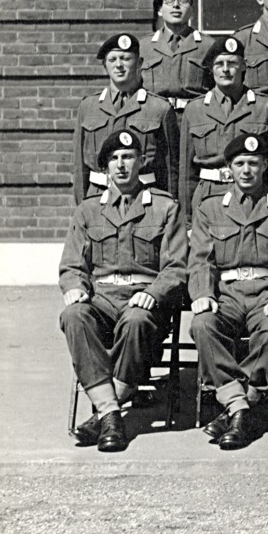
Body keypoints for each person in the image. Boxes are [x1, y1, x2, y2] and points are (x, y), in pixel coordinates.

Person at [59, 129, 188, 452]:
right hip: (101, 299)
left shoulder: (164, 207)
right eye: (114, 159)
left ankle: (104, 412)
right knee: (73, 315)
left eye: (128, 157)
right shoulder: (88, 210)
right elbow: (73, 265)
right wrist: (74, 288)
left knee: (136, 320)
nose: (121, 165)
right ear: (105, 169)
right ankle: (112, 414)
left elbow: (176, 267)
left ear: (140, 162)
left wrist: (155, 293)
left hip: (144, 302)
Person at [188, 132, 268, 450]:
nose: (247, 170)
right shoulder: (210, 209)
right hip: (226, 292)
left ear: (265, 165)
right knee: (202, 325)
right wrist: (203, 294)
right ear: (229, 169)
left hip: (267, 292)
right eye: (240, 163)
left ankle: (239, 403)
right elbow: (200, 260)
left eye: (254, 163)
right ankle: (243, 407)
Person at [178, 35, 268, 209]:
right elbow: (186, 173)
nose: (225, 69)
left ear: (243, 66)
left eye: (232, 63)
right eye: (219, 64)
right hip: (207, 196)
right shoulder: (194, 109)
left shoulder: (265, 107)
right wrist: (187, 220)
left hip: (253, 197)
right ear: (211, 69)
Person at [72, 33, 178, 203]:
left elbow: (171, 168)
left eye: (126, 59)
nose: (119, 65)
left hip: (144, 198)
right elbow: (79, 169)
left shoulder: (159, 108)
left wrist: (169, 207)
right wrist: (81, 209)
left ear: (140, 63)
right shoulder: (88, 107)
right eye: (112, 59)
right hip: (98, 198)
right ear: (105, 66)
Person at [140, 0, 213, 114]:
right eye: (169, 1)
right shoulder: (144, 47)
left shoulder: (207, 46)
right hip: (154, 119)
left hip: (196, 118)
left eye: (183, 1)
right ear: (160, 10)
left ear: (192, 10)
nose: (176, 6)